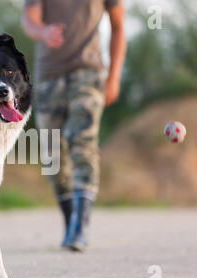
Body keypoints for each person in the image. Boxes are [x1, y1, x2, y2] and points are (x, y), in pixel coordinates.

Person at [22, 0, 126, 251]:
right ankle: (71, 220)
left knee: (82, 142)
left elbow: (119, 26)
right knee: (52, 157)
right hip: (48, 76)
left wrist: (113, 76)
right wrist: (43, 31)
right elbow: (29, 19)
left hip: (88, 73)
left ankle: (80, 226)